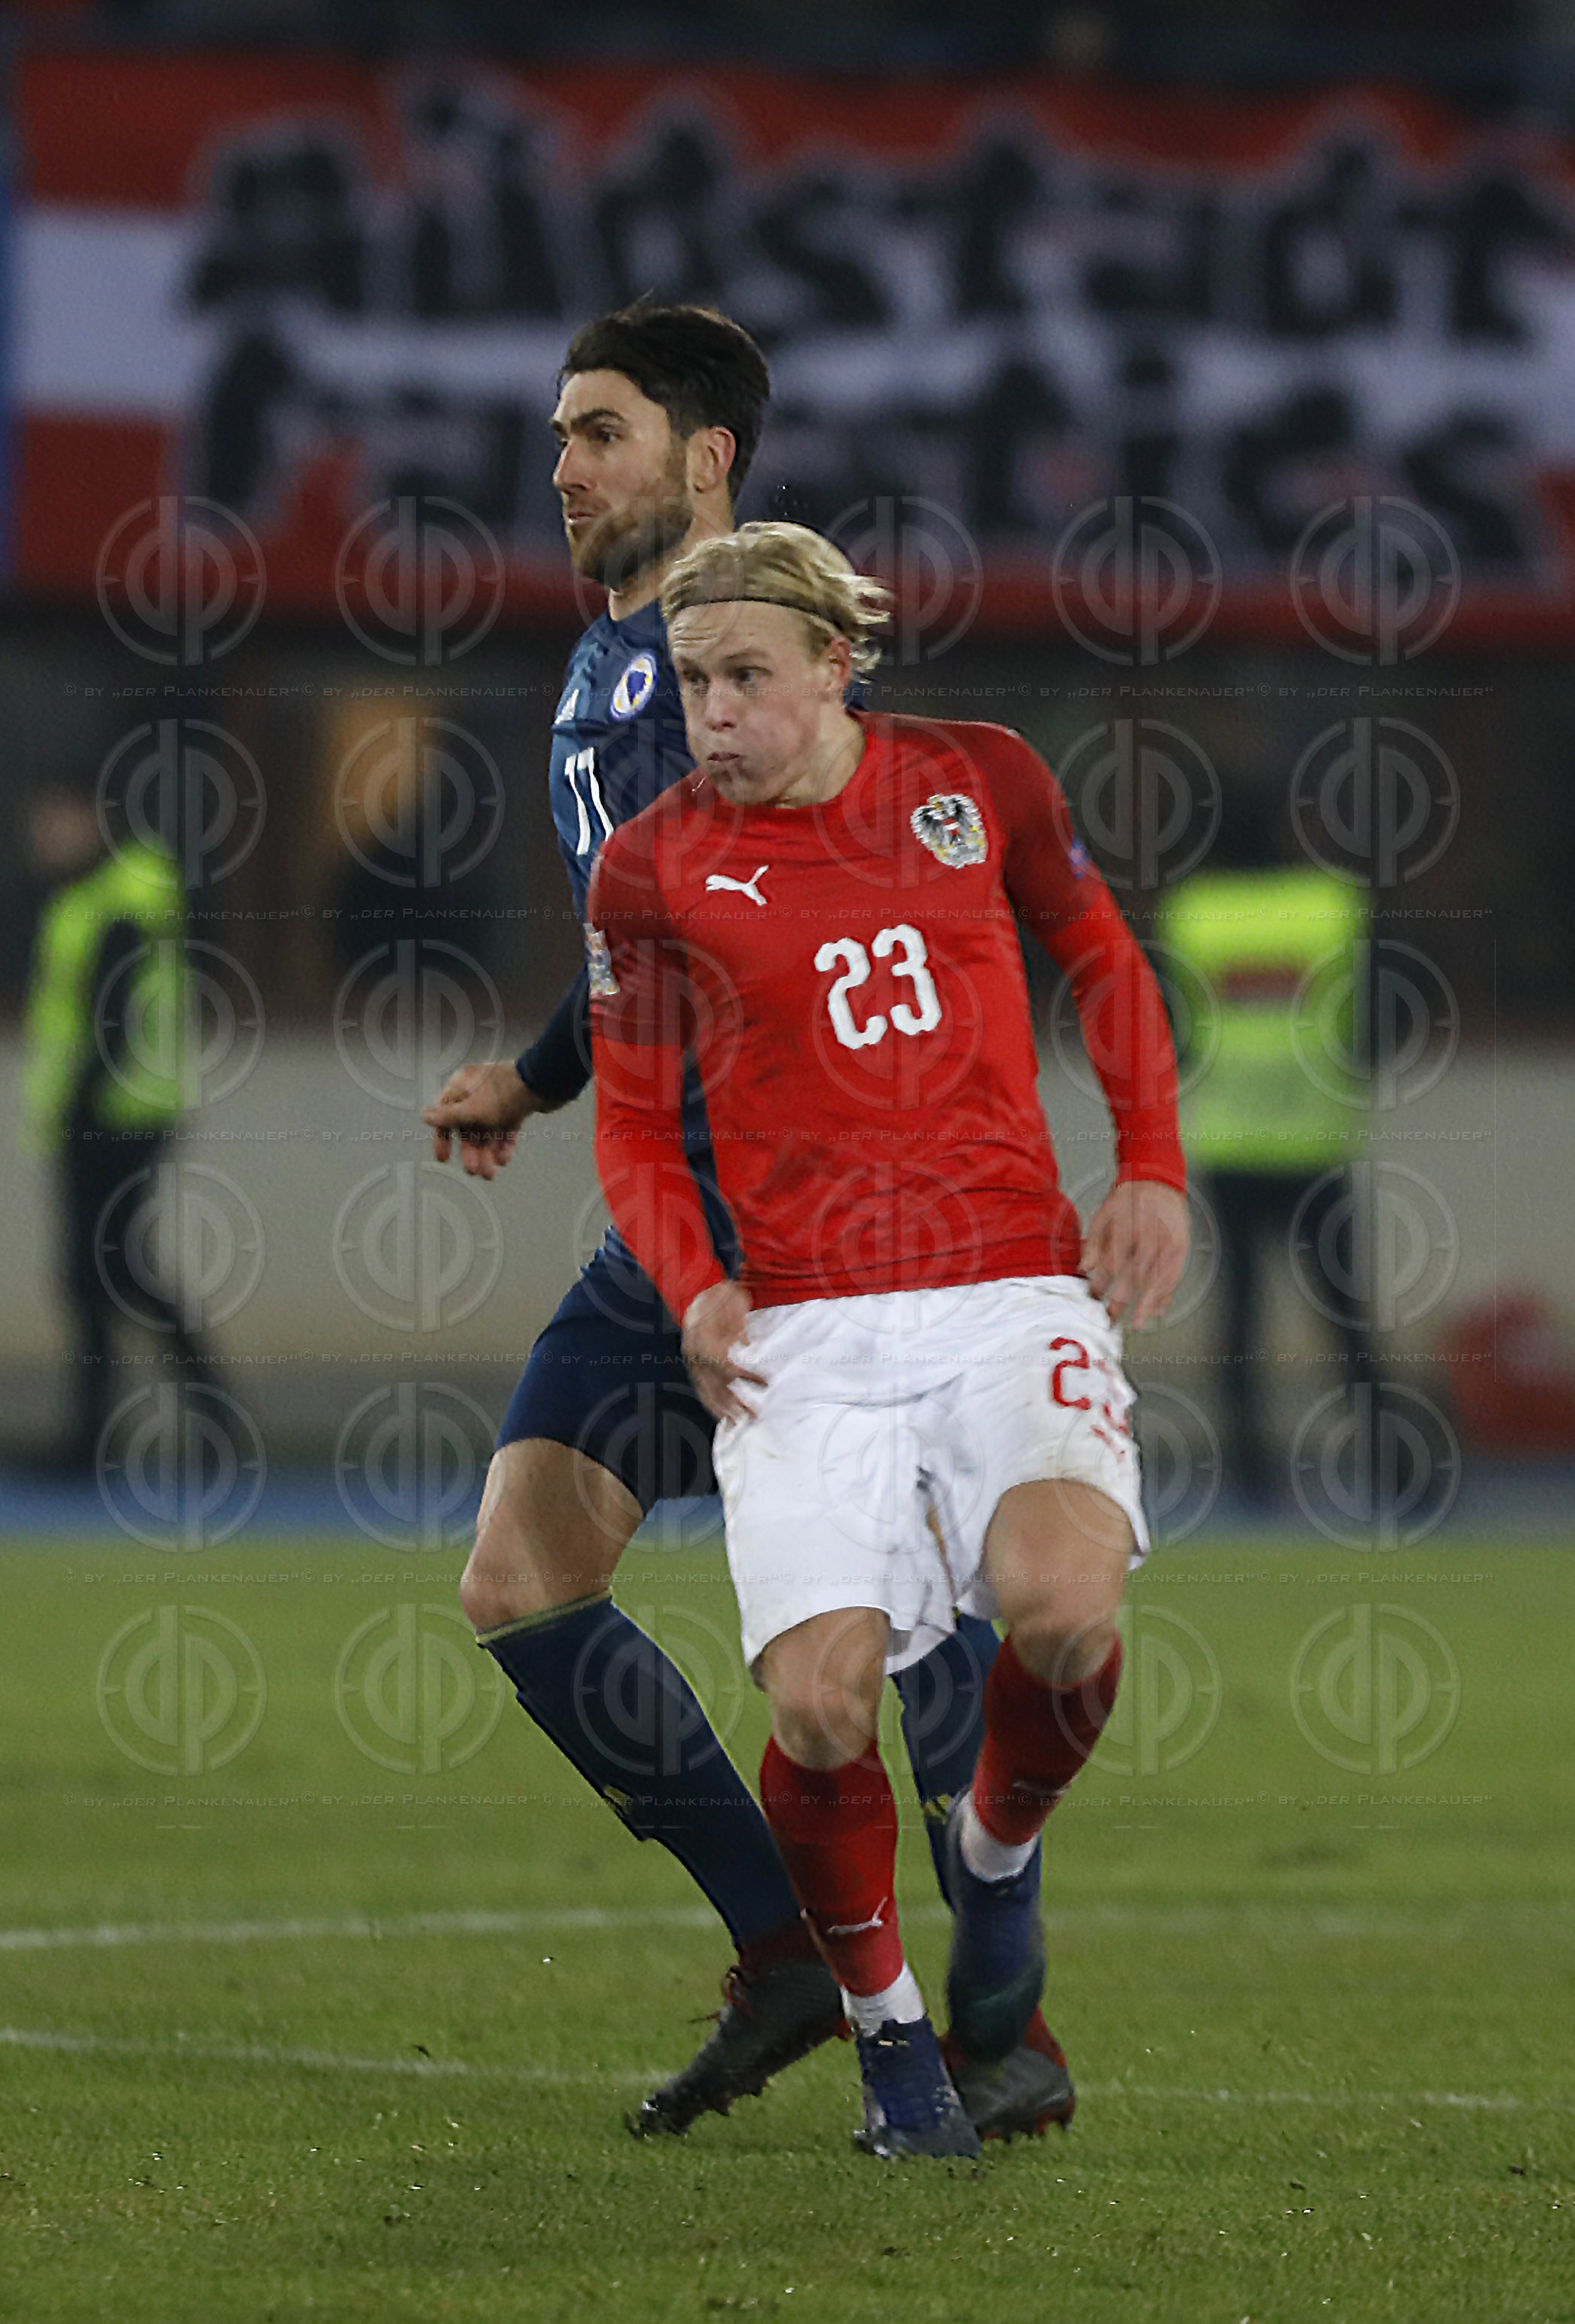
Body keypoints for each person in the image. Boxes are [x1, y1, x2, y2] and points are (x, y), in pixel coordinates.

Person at [422, 305, 1041, 2140]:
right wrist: (539, 1082)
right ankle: (789, 1955)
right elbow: (645, 953)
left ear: (705, 461)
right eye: (555, 433)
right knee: (526, 1574)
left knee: (904, 1637)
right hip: (670, 1220)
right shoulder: (613, 661)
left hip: (796, 1224)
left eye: (597, 432)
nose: (562, 465)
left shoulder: (735, 675)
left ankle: (992, 2008)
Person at [586, 523, 1189, 2158]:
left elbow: (1103, 957)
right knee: (822, 1707)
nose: (712, 713)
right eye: (693, 683)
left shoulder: (977, 778)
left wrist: (1149, 1158)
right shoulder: (646, 866)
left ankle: (993, 1871)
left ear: (835, 665)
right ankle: (893, 2036)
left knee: (1063, 1610)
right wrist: (696, 1283)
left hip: (1006, 1286)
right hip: (802, 1329)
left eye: (745, 678)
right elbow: (634, 1126)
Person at [1158, 806, 1375, 1505]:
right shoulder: (1331, 906)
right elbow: (1371, 1013)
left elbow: (1174, 1025)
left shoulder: (1193, 913)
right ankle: (1386, 1461)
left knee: (1240, 1314)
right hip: (1316, 1138)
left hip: (1231, 1140)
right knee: (1345, 1312)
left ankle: (1251, 1470)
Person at [19, 786, 221, 1468]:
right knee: (116, 1272)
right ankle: (198, 1421)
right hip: (120, 1113)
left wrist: (77, 1104)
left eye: (52, 820)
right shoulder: (107, 893)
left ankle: (97, 1439)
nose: (41, 837)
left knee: (103, 1273)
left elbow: (110, 1016)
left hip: (112, 1117)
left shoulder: (116, 898)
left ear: (86, 819)